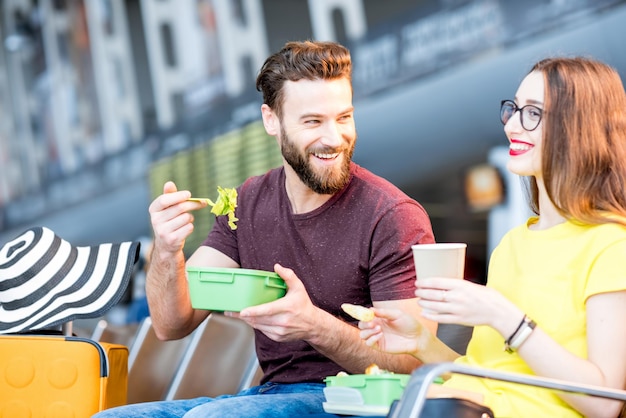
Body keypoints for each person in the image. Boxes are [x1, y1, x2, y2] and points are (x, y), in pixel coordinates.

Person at [93, 40, 435, 417]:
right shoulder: (247, 202)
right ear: (271, 120)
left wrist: (313, 325)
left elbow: (413, 366)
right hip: (272, 396)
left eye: (344, 117)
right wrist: (167, 249)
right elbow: (171, 323)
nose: (334, 138)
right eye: (313, 121)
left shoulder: (392, 216)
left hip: (360, 402)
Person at [357, 56, 626, 418]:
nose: (513, 124)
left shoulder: (611, 245)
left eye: (533, 112)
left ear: (579, 126)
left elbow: (605, 402)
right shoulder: (513, 244)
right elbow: (487, 374)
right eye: (514, 109)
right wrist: (420, 343)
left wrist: (505, 316)